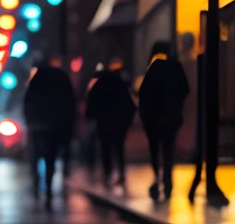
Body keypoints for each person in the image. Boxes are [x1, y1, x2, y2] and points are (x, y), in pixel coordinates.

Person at [137, 39, 191, 201]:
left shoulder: (152, 69)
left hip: (153, 119)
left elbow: (144, 95)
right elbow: (185, 89)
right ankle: (168, 181)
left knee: (155, 149)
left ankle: (157, 176)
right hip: (171, 117)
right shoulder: (176, 67)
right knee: (168, 150)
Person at [21, 54, 78, 203]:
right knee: (51, 157)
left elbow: (27, 102)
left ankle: (37, 183)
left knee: (36, 155)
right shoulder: (60, 76)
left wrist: (30, 121)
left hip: (38, 125)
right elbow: (70, 101)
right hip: (56, 124)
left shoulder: (35, 80)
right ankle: (49, 186)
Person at [83, 57, 136, 189]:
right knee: (119, 148)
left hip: (104, 123)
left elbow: (92, 104)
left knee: (105, 149)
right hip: (119, 122)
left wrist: (91, 117)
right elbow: (129, 104)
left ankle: (108, 174)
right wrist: (128, 120)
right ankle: (121, 173)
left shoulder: (99, 84)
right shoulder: (120, 84)